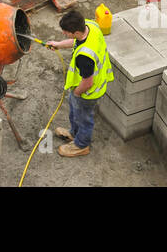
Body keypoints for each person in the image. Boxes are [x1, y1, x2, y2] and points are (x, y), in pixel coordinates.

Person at [45, 9, 115, 157]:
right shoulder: (90, 26)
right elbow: (75, 41)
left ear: (76, 31)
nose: (64, 33)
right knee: (75, 113)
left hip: (87, 92)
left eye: (66, 32)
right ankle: (73, 133)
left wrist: (77, 93)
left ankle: (81, 145)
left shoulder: (85, 57)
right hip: (85, 86)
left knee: (84, 119)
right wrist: (58, 44)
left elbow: (88, 82)